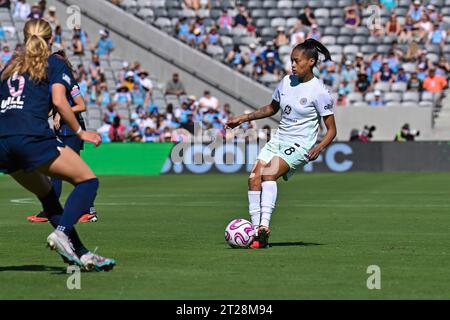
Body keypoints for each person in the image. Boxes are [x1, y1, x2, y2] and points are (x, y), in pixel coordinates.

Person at [0, 19, 115, 271]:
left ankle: (83, 254)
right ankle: (61, 233)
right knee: (88, 181)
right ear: (51, 39)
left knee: (48, 195)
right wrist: (80, 132)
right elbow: (60, 101)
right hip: (30, 137)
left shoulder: (10, 67)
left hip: (3, 142)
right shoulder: (55, 62)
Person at [226, 39, 337, 249]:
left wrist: (318, 148)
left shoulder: (319, 92)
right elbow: (271, 108)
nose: (293, 65)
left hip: (300, 144)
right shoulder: (286, 82)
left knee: (269, 173)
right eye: (291, 61)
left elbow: (332, 129)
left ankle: (264, 227)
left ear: (311, 62)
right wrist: (243, 118)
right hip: (279, 139)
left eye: (297, 61)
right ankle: (256, 232)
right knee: (253, 179)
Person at [27, 50, 98, 224]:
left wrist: (61, 110)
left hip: (72, 131)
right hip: (62, 131)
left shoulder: (70, 82)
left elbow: (81, 105)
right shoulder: (54, 82)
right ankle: (84, 210)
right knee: (63, 171)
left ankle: (56, 211)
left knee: (62, 172)